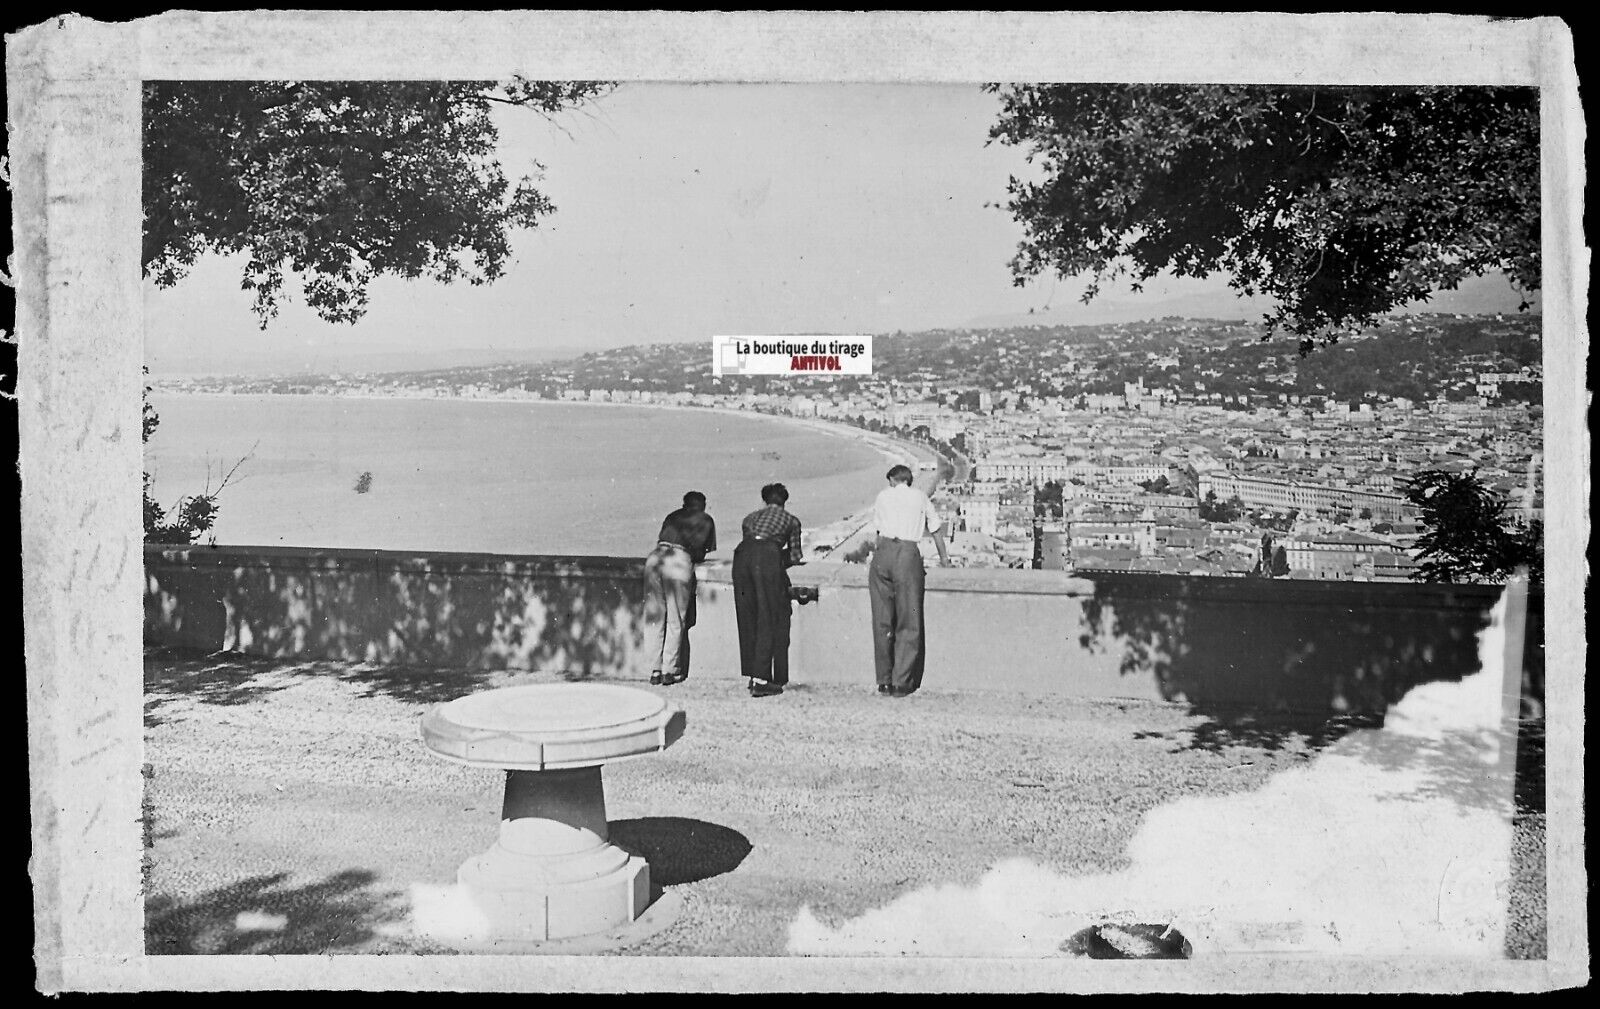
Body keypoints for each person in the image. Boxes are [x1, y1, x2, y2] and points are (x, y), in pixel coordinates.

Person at [868, 464, 950, 697]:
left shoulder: (883, 496)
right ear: (909, 480)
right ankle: (901, 682)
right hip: (906, 554)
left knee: (882, 621)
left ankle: (883, 680)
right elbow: (935, 529)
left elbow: (877, 531)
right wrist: (944, 559)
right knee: (908, 619)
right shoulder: (920, 497)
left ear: (893, 480)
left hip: (882, 554)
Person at [733, 482, 803, 697]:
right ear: (784, 500)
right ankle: (761, 679)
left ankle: (752, 672)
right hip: (767, 558)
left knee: (748, 615)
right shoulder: (791, 520)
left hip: (742, 556)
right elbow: (794, 556)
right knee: (767, 616)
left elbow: (751, 543)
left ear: (764, 500)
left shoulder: (750, 518)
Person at [643, 490, 716, 686]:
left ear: (684, 504)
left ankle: (654, 670)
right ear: (702, 505)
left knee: (654, 618)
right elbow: (700, 552)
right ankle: (670, 670)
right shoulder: (706, 519)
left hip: (656, 557)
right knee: (676, 620)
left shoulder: (672, 516)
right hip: (678, 562)